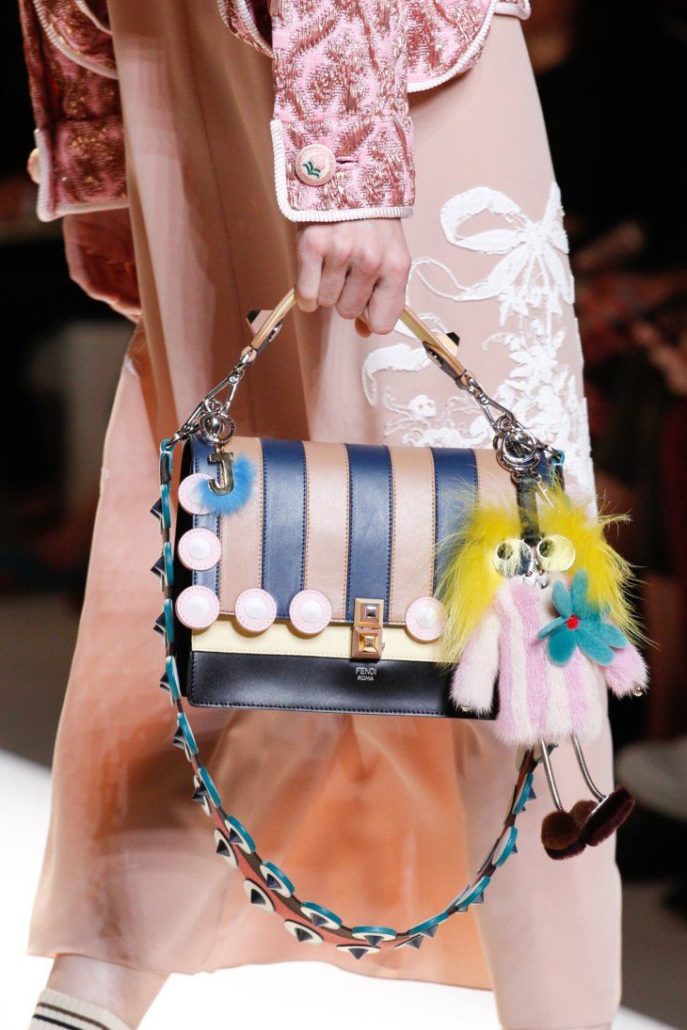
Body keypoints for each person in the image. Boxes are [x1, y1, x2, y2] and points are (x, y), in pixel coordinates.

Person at [19, 2, 621, 1028]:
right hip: (355, 46)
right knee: (506, 581)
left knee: (250, 562)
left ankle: (91, 998)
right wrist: (348, 162)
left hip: (196, 46)